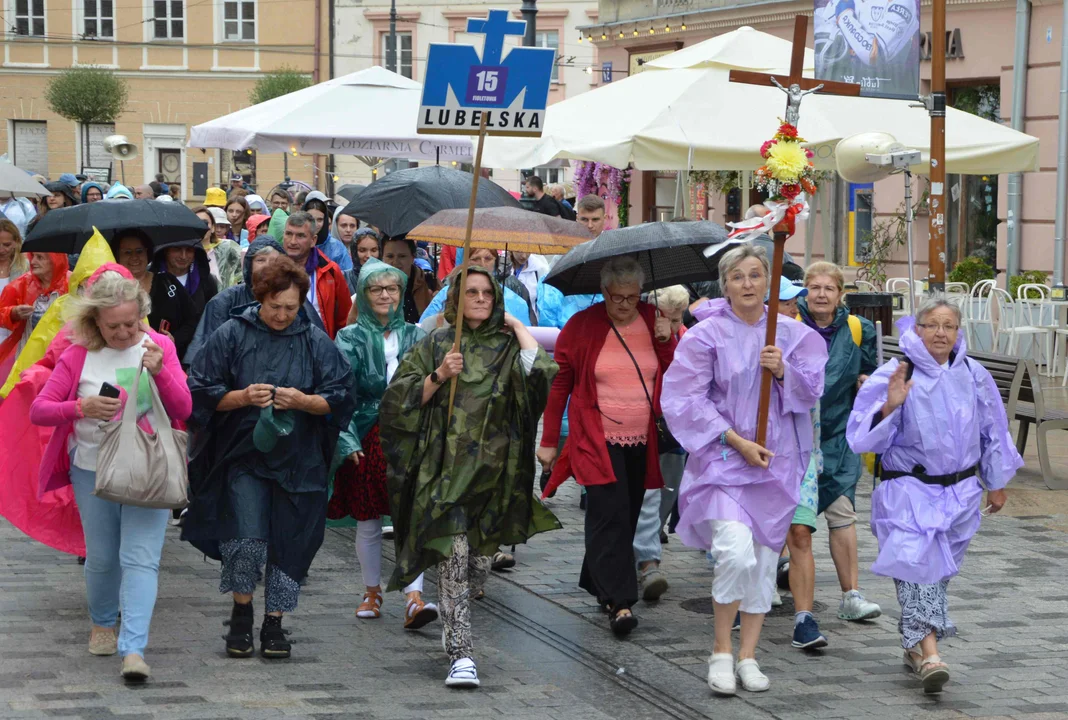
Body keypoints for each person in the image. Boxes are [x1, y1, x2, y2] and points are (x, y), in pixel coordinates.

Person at [380, 265, 559, 688]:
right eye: (471, 292)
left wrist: (516, 325)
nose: (480, 299)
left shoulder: (506, 345)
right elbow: (397, 400)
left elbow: (540, 376)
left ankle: (451, 604)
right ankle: (461, 655)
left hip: (494, 475)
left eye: (487, 293)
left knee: (477, 565)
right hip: (442, 474)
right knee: (454, 559)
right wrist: (439, 375)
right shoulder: (438, 343)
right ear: (456, 299)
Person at [660, 245, 826, 696]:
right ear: (725, 284)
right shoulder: (706, 336)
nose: (748, 284)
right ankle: (720, 650)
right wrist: (733, 439)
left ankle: (749, 655)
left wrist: (784, 371)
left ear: (768, 281)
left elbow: (812, 392)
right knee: (734, 553)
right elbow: (683, 398)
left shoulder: (791, 334)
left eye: (756, 275)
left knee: (762, 563)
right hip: (725, 463)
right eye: (738, 277)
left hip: (777, 464)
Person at [183, 254, 355, 660]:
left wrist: (307, 401)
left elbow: (342, 395)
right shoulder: (231, 334)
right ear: (259, 297)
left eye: (290, 308)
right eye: (274, 306)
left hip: (301, 460)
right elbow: (198, 393)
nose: (281, 315)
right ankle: (242, 613)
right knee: (246, 537)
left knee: (290, 541)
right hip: (243, 455)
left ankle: (274, 621)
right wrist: (241, 397)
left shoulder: (314, 340)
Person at [847, 295, 1021, 694]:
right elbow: (860, 436)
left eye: (949, 326)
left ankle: (913, 644)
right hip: (907, 489)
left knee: (936, 575)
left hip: (959, 492)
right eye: (933, 325)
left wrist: (995, 481)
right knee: (915, 567)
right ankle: (930, 654)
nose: (941, 333)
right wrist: (890, 407)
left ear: (958, 332)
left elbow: (993, 428)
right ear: (917, 329)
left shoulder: (974, 374)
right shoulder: (895, 373)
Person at [29, 269, 192, 682]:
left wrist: (160, 371)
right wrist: (78, 409)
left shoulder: (161, 347)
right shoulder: (78, 354)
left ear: (143, 314)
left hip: (148, 468)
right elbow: (41, 409)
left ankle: (134, 648)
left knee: (140, 559)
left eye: (132, 323)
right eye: (113, 325)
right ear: (95, 322)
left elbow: (184, 409)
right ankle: (102, 621)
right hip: (93, 470)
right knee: (102, 558)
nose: (124, 333)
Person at [538, 257, 675, 637]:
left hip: (642, 436)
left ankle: (597, 579)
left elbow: (674, 372)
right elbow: (560, 385)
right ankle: (621, 602)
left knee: (626, 514)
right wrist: (549, 441)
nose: (625, 305)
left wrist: (666, 340)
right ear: (604, 293)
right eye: (617, 298)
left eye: (632, 298)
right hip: (595, 436)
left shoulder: (653, 319)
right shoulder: (582, 326)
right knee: (609, 512)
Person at [329, 259, 438, 628]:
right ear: (364, 294)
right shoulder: (348, 338)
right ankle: (371, 590)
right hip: (367, 431)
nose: (385, 296)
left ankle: (413, 596)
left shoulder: (417, 335)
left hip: (410, 430)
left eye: (392, 289)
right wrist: (345, 440)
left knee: (412, 512)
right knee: (369, 516)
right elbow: (340, 393)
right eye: (377, 289)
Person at [797, 261, 882, 622]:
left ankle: (851, 595)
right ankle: (771, 581)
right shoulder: (789, 326)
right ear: (805, 291)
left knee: (842, 511)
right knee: (791, 518)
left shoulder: (857, 328)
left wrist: (867, 380)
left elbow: (871, 372)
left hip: (840, 434)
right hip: (796, 434)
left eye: (828, 288)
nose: (820, 294)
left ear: (840, 294)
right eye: (814, 287)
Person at [770, 277, 829, 649]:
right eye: (785, 303)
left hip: (801, 454)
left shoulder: (807, 343)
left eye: (795, 303)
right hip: (756, 455)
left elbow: (811, 391)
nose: (794, 309)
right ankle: (748, 602)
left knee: (800, 534)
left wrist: (782, 371)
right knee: (761, 537)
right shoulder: (742, 341)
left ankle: (804, 618)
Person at [629, 284, 690, 602]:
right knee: (649, 497)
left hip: (675, 431)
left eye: (679, 318)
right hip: (645, 426)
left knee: (668, 493)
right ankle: (647, 563)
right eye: (669, 318)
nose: (675, 324)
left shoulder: (686, 336)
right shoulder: (637, 336)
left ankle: (644, 548)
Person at [185, 237, 322, 367]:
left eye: (274, 261)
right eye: (261, 260)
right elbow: (203, 355)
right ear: (249, 265)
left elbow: (319, 349)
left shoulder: (294, 299)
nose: (268, 267)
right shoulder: (225, 301)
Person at [112, 231, 198, 358]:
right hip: (122, 359)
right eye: (127, 252)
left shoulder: (168, 282)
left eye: (139, 251)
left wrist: (174, 339)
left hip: (167, 358)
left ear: (148, 253)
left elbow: (192, 319)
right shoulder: (110, 288)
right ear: (117, 256)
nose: (134, 257)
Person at [418, 249, 533, 330]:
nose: (482, 264)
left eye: (488, 258)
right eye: (475, 259)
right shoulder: (446, 293)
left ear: (496, 262)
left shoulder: (516, 300)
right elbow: (424, 327)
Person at [281, 212, 351, 339]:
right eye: (289, 234)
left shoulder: (331, 271)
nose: (292, 241)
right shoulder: (272, 270)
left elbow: (344, 319)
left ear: (313, 240)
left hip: (319, 348)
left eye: (300, 236)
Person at [0, 250, 69, 371]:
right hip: (27, 359)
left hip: (63, 358)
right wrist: (13, 313)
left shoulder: (72, 282)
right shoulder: (21, 284)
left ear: (55, 261)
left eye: (40, 257)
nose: (32, 261)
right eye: (32, 256)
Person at [150, 241, 219, 319]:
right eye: (177, 249)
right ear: (166, 250)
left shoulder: (206, 280)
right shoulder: (150, 278)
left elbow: (213, 317)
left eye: (189, 250)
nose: (183, 256)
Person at [382, 236, 438, 324]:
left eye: (402, 256)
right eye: (390, 256)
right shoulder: (373, 286)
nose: (395, 262)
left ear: (413, 257)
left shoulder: (428, 281)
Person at [303, 192, 353, 272]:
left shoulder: (337, 248)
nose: (315, 224)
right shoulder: (296, 242)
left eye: (320, 220)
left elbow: (346, 278)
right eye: (311, 218)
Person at [0, 219, 28, 347]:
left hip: (15, 334)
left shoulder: (26, 267)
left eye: (6, 245)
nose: (1, 250)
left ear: (17, 242)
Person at [509, 250, 549, 315]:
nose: (524, 256)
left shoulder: (540, 269)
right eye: (519, 250)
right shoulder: (502, 269)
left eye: (528, 250)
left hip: (532, 323)